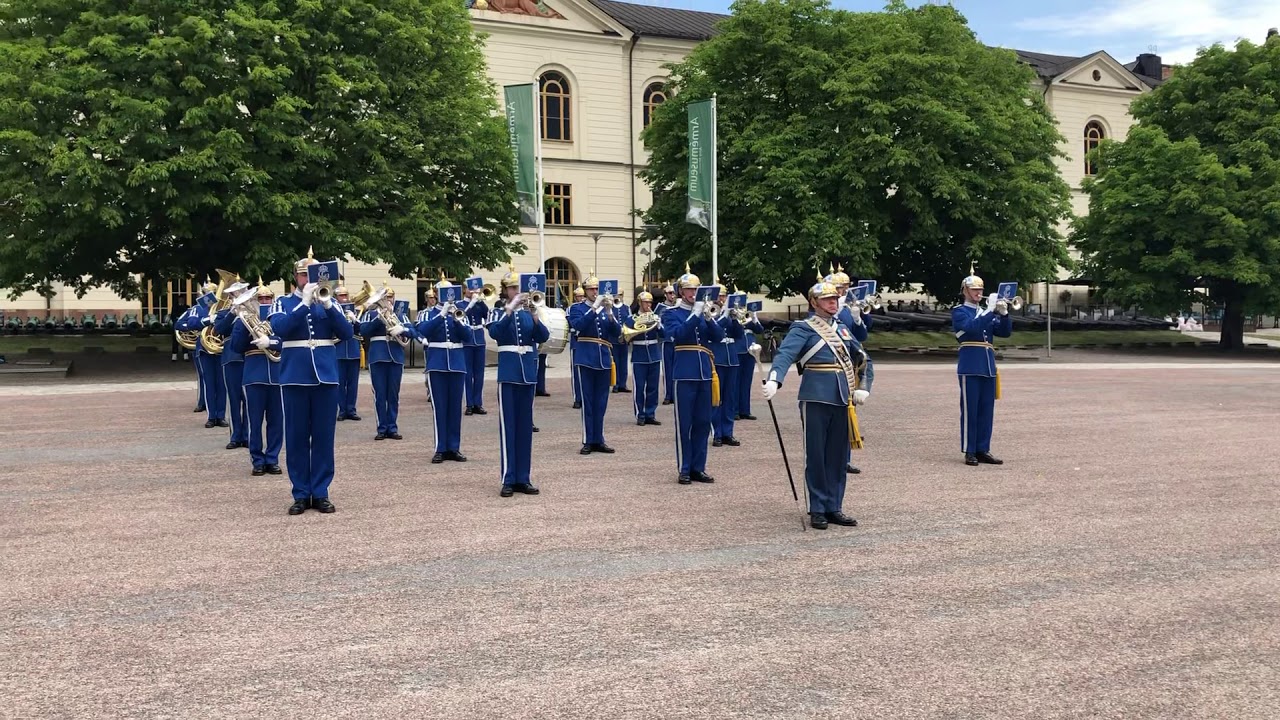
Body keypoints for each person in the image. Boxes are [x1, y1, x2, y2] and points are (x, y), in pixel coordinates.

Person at [761, 278, 867, 530]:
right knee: (817, 455)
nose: (834, 302)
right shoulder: (804, 328)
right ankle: (817, 507)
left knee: (838, 456)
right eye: (828, 299)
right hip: (815, 396)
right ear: (814, 302)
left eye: (835, 298)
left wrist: (863, 387)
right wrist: (775, 379)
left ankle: (834, 506)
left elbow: (863, 358)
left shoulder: (841, 328)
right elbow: (785, 354)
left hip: (843, 396)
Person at [269, 250, 355, 515]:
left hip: (326, 376)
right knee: (295, 438)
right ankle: (300, 493)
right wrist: (304, 303)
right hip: (295, 376)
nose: (310, 279)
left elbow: (347, 333)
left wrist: (328, 306)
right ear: (296, 277)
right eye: (305, 274)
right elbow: (280, 330)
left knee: (323, 437)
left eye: (315, 274)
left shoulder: (331, 304)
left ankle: (320, 492)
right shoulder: (282, 303)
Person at [488, 269, 550, 496]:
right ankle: (508, 477)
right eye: (512, 288)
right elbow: (495, 332)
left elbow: (542, 336)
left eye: (518, 288)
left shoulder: (527, 312)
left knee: (525, 428)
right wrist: (509, 309)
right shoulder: (497, 311)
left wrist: (534, 315)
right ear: (505, 290)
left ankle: (523, 477)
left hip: (527, 373)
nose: (516, 291)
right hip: (508, 372)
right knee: (509, 427)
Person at [663, 268, 725, 484]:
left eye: (696, 289)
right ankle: (685, 467)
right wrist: (695, 314)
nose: (693, 293)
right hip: (684, 373)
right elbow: (678, 335)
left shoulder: (703, 312)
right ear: (681, 291)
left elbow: (719, 337)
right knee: (685, 423)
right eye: (689, 289)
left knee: (703, 422)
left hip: (705, 374)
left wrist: (708, 317)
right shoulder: (670, 313)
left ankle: (699, 467)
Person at [953, 271, 1012, 466]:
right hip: (970, 365)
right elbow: (972, 328)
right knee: (970, 410)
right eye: (974, 290)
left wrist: (1004, 314)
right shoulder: (960, 311)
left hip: (988, 366)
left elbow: (1004, 333)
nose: (978, 293)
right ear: (965, 291)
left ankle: (982, 448)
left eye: (980, 290)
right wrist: (989, 311)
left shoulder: (986, 313)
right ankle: (969, 450)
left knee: (987, 410)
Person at [229, 281, 283, 477]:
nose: (264, 301)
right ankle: (257, 460)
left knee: (277, 420)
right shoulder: (244, 319)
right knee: (254, 421)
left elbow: (286, 341)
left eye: (268, 298)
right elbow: (236, 346)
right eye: (260, 299)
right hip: (253, 374)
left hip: (277, 373)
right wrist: (243, 324)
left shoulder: (278, 318)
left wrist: (271, 341)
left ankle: (273, 458)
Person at [415, 280, 472, 463]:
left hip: (457, 362)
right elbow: (422, 331)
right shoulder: (428, 313)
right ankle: (440, 447)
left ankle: (454, 447)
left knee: (455, 407)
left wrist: (457, 320)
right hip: (437, 363)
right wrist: (441, 314)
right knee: (439, 407)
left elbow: (468, 337)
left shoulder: (461, 313)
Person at [567, 272, 620, 454]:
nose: (595, 292)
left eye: (597, 289)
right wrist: (594, 308)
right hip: (586, 357)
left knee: (601, 402)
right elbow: (578, 326)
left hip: (603, 358)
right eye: (591, 289)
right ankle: (588, 440)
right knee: (588, 402)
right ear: (585, 290)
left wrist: (610, 312)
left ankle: (599, 438)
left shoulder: (605, 309)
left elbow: (617, 332)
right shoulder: (577, 308)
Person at [360, 286, 415, 441]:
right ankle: (381, 428)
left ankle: (392, 426)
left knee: (393, 394)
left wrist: (402, 329)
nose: (388, 300)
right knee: (379, 394)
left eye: (390, 297)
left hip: (395, 357)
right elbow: (363, 331)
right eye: (385, 298)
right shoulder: (371, 314)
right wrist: (378, 319)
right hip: (378, 356)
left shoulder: (400, 315)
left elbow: (412, 331)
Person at [175, 287, 227, 429]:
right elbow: (191, 324)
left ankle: (221, 416)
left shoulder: (222, 308)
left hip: (220, 349)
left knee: (221, 385)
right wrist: (207, 320)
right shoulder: (198, 309)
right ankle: (211, 416)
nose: (210, 296)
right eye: (207, 294)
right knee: (209, 383)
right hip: (204, 349)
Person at [212, 280, 252, 450]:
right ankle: (236, 436)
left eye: (242, 291)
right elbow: (219, 329)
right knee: (234, 399)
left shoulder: (254, 309)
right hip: (231, 358)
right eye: (235, 293)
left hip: (250, 357)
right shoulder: (223, 312)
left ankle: (249, 435)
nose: (238, 295)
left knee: (250, 400)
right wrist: (232, 312)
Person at [710, 284, 744, 447]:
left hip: (731, 357)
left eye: (724, 296)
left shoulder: (729, 314)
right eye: (720, 296)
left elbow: (738, 335)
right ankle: (716, 433)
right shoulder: (710, 312)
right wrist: (724, 315)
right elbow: (714, 332)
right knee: (717, 398)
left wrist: (736, 318)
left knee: (730, 398)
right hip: (717, 357)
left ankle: (727, 432)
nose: (722, 299)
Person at [627, 291, 664, 426]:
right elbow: (626, 336)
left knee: (653, 387)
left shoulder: (654, 317)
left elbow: (664, 334)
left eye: (650, 302)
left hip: (654, 355)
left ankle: (650, 413)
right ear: (640, 303)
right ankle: (640, 414)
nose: (649, 304)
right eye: (646, 302)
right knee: (639, 387)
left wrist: (659, 324)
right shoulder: (632, 319)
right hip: (639, 355)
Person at [334, 284, 363, 422]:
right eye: (341, 296)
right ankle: (342, 410)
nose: (344, 299)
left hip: (353, 350)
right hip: (338, 351)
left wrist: (355, 319)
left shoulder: (355, 311)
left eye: (345, 295)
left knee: (353, 383)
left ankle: (351, 409)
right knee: (340, 383)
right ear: (336, 298)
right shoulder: (333, 312)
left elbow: (360, 330)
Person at [459, 287, 490, 415]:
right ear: (465, 290)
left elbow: (487, 314)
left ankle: (478, 402)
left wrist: (480, 300)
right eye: (470, 289)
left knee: (479, 374)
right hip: (467, 341)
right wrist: (471, 304)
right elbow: (460, 316)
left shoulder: (479, 304)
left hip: (479, 339)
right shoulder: (459, 304)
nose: (472, 292)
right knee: (468, 373)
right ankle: (469, 404)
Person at [736, 305, 765, 422]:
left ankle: (745, 410)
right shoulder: (734, 314)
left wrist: (754, 317)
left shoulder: (749, 316)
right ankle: (735, 410)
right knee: (736, 382)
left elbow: (759, 330)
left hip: (751, 351)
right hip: (738, 349)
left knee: (746, 382)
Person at [656, 281, 678, 406]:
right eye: (670, 293)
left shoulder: (678, 307)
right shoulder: (661, 308)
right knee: (667, 369)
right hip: (666, 341)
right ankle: (668, 395)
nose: (672, 296)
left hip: (677, 341)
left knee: (677, 368)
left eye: (674, 293)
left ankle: (675, 394)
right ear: (665, 295)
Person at [568, 285, 586, 409]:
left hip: (586, 341)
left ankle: (586, 397)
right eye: (578, 296)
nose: (580, 298)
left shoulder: (587, 307)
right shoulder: (572, 308)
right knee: (576, 372)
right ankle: (577, 398)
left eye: (582, 296)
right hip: (576, 341)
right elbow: (569, 322)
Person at [610, 290, 631, 393]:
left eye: (620, 295)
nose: (618, 297)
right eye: (616, 295)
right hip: (613, 338)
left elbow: (630, 321)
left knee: (623, 362)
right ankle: (615, 384)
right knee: (615, 362)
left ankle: (623, 384)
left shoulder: (626, 308)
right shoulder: (610, 308)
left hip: (624, 338)